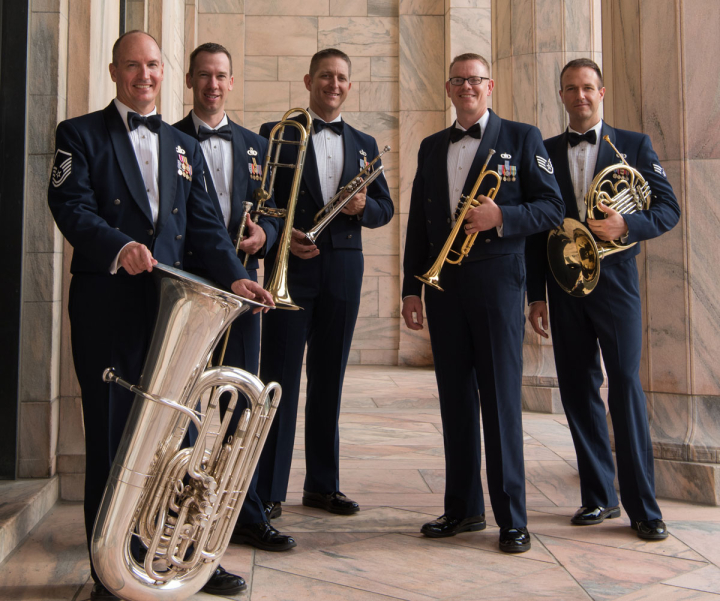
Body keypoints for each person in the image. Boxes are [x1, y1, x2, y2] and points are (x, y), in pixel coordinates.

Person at [47, 31, 273, 601]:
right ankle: (109, 570)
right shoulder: (79, 134)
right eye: (132, 66)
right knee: (112, 436)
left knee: (178, 439)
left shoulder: (181, 144)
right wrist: (116, 246)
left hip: (171, 313)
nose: (143, 76)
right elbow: (69, 206)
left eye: (152, 65)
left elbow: (203, 226)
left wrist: (236, 276)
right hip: (108, 305)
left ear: (163, 72)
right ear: (113, 70)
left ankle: (177, 557)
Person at [401, 53, 564, 553]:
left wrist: (502, 216)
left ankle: (513, 517)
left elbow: (553, 207)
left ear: (489, 85)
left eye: (475, 80)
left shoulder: (523, 137)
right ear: (448, 88)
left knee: (499, 400)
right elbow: (418, 221)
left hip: (497, 283)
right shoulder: (431, 146)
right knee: (454, 399)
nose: (467, 87)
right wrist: (412, 287)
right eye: (458, 80)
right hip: (444, 286)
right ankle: (463, 508)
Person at [526, 58, 680, 540]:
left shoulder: (633, 145)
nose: (580, 96)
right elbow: (537, 229)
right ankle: (599, 497)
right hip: (564, 286)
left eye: (588, 88)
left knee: (626, 389)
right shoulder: (546, 150)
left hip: (615, 286)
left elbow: (668, 208)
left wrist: (626, 225)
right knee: (576, 388)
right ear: (561, 95)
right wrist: (537, 295)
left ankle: (645, 509)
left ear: (603, 91)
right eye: (571, 89)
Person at [255, 48, 394, 519]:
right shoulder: (276, 135)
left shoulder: (365, 143)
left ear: (349, 86)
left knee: (329, 381)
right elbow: (262, 204)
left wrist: (361, 209)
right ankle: (270, 490)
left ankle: (322, 485)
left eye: (341, 78)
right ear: (308, 80)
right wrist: (281, 238)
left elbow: (385, 210)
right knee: (280, 380)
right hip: (289, 271)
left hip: (342, 275)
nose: (334, 84)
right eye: (325, 76)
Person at [174, 42, 296, 553]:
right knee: (182, 403)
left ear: (231, 81)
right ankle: (177, 506)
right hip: (187, 287)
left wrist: (263, 237)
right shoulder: (169, 138)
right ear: (190, 80)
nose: (214, 85)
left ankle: (242, 513)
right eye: (204, 75)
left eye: (222, 75)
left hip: (245, 288)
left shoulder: (255, 144)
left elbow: (274, 211)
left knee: (241, 402)